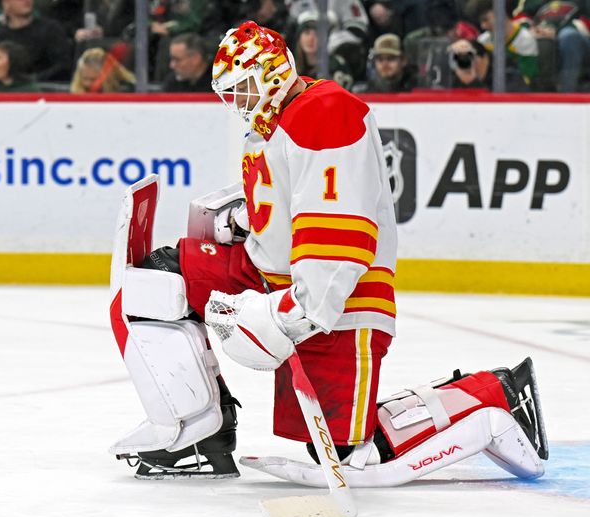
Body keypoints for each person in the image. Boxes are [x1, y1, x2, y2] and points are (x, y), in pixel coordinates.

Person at [108, 20, 548, 486]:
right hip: (272, 279)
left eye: (244, 88)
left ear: (274, 72)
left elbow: (338, 237)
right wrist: (239, 221)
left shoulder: (324, 112)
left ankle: (490, 396)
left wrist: (291, 317)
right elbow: (288, 202)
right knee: (159, 281)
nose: (237, 103)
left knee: (351, 454)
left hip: (337, 303)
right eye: (229, 94)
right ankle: (198, 434)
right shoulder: (279, 121)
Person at [0, 0, 73, 82]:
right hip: (2, 91)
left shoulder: (51, 29)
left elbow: (63, 66)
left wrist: (32, 79)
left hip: (43, 90)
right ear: (6, 3)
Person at [469, 0, 540, 88]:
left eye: (486, 19)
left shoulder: (525, 40)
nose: (483, 26)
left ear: (501, 13)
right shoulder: (483, 41)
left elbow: (526, 80)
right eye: (481, 22)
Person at [69, 47, 135, 93]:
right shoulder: (74, 96)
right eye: (85, 78)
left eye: (93, 79)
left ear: (108, 76)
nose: (87, 84)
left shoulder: (129, 92)